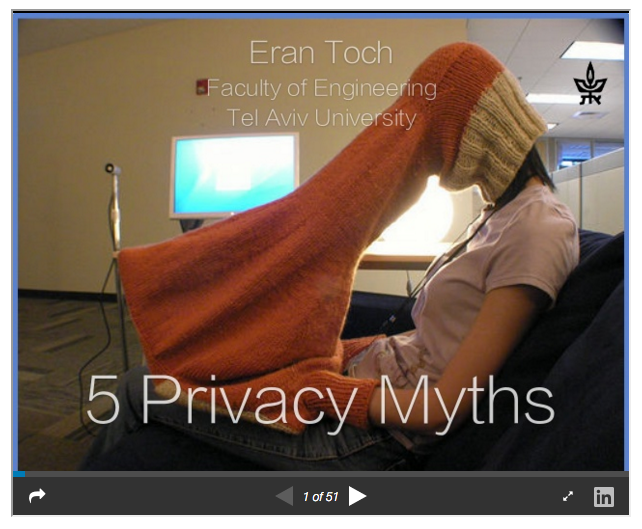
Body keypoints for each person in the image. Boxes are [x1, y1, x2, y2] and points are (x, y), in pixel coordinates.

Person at [81, 42, 579, 470]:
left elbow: (440, 410)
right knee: (205, 364)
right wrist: (338, 357)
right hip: (361, 382)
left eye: (428, 128)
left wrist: (320, 390)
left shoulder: (537, 229)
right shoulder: (499, 214)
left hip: (375, 436)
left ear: (472, 131)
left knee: (139, 389)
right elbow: (434, 342)